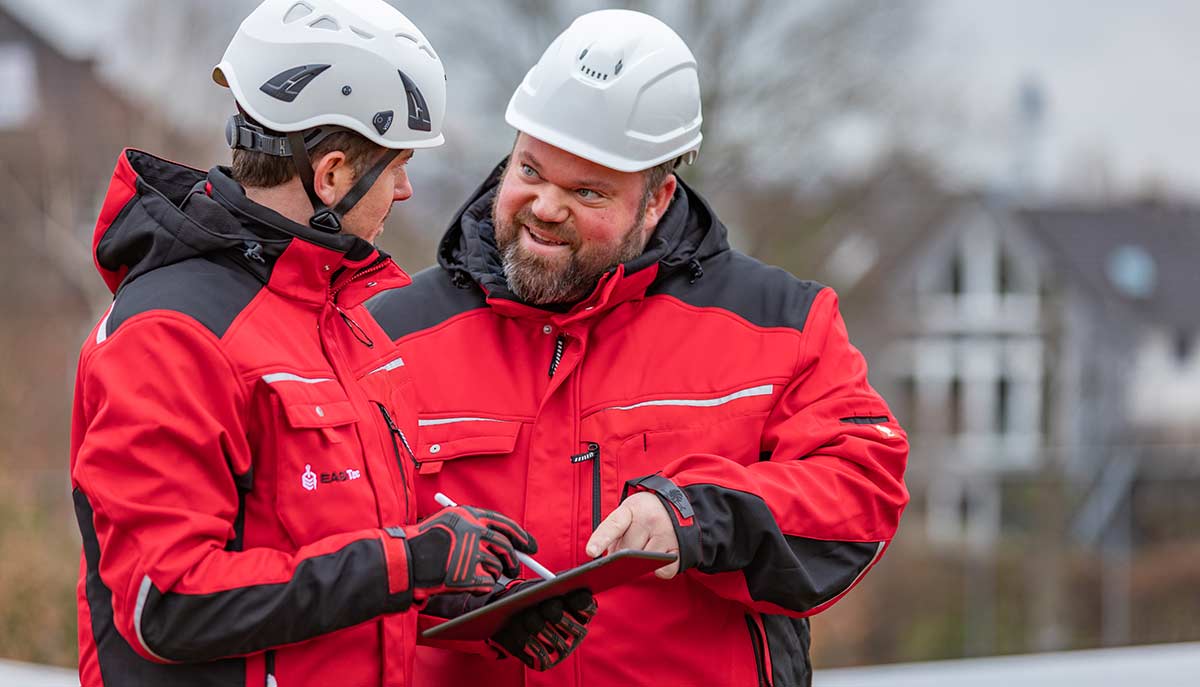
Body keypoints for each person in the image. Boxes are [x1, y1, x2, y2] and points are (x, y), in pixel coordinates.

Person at [366, 9, 910, 687]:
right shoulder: (385, 336)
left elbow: (861, 488)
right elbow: (318, 546)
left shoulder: (781, 324)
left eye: (586, 191)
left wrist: (697, 516)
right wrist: (442, 589)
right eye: (529, 170)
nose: (544, 206)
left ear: (656, 201)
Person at [69, 2, 592, 686]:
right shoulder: (172, 335)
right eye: (397, 166)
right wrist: (410, 563)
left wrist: (466, 601)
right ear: (334, 175)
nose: (405, 190)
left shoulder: (346, 324)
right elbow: (166, 603)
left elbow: (330, 568)